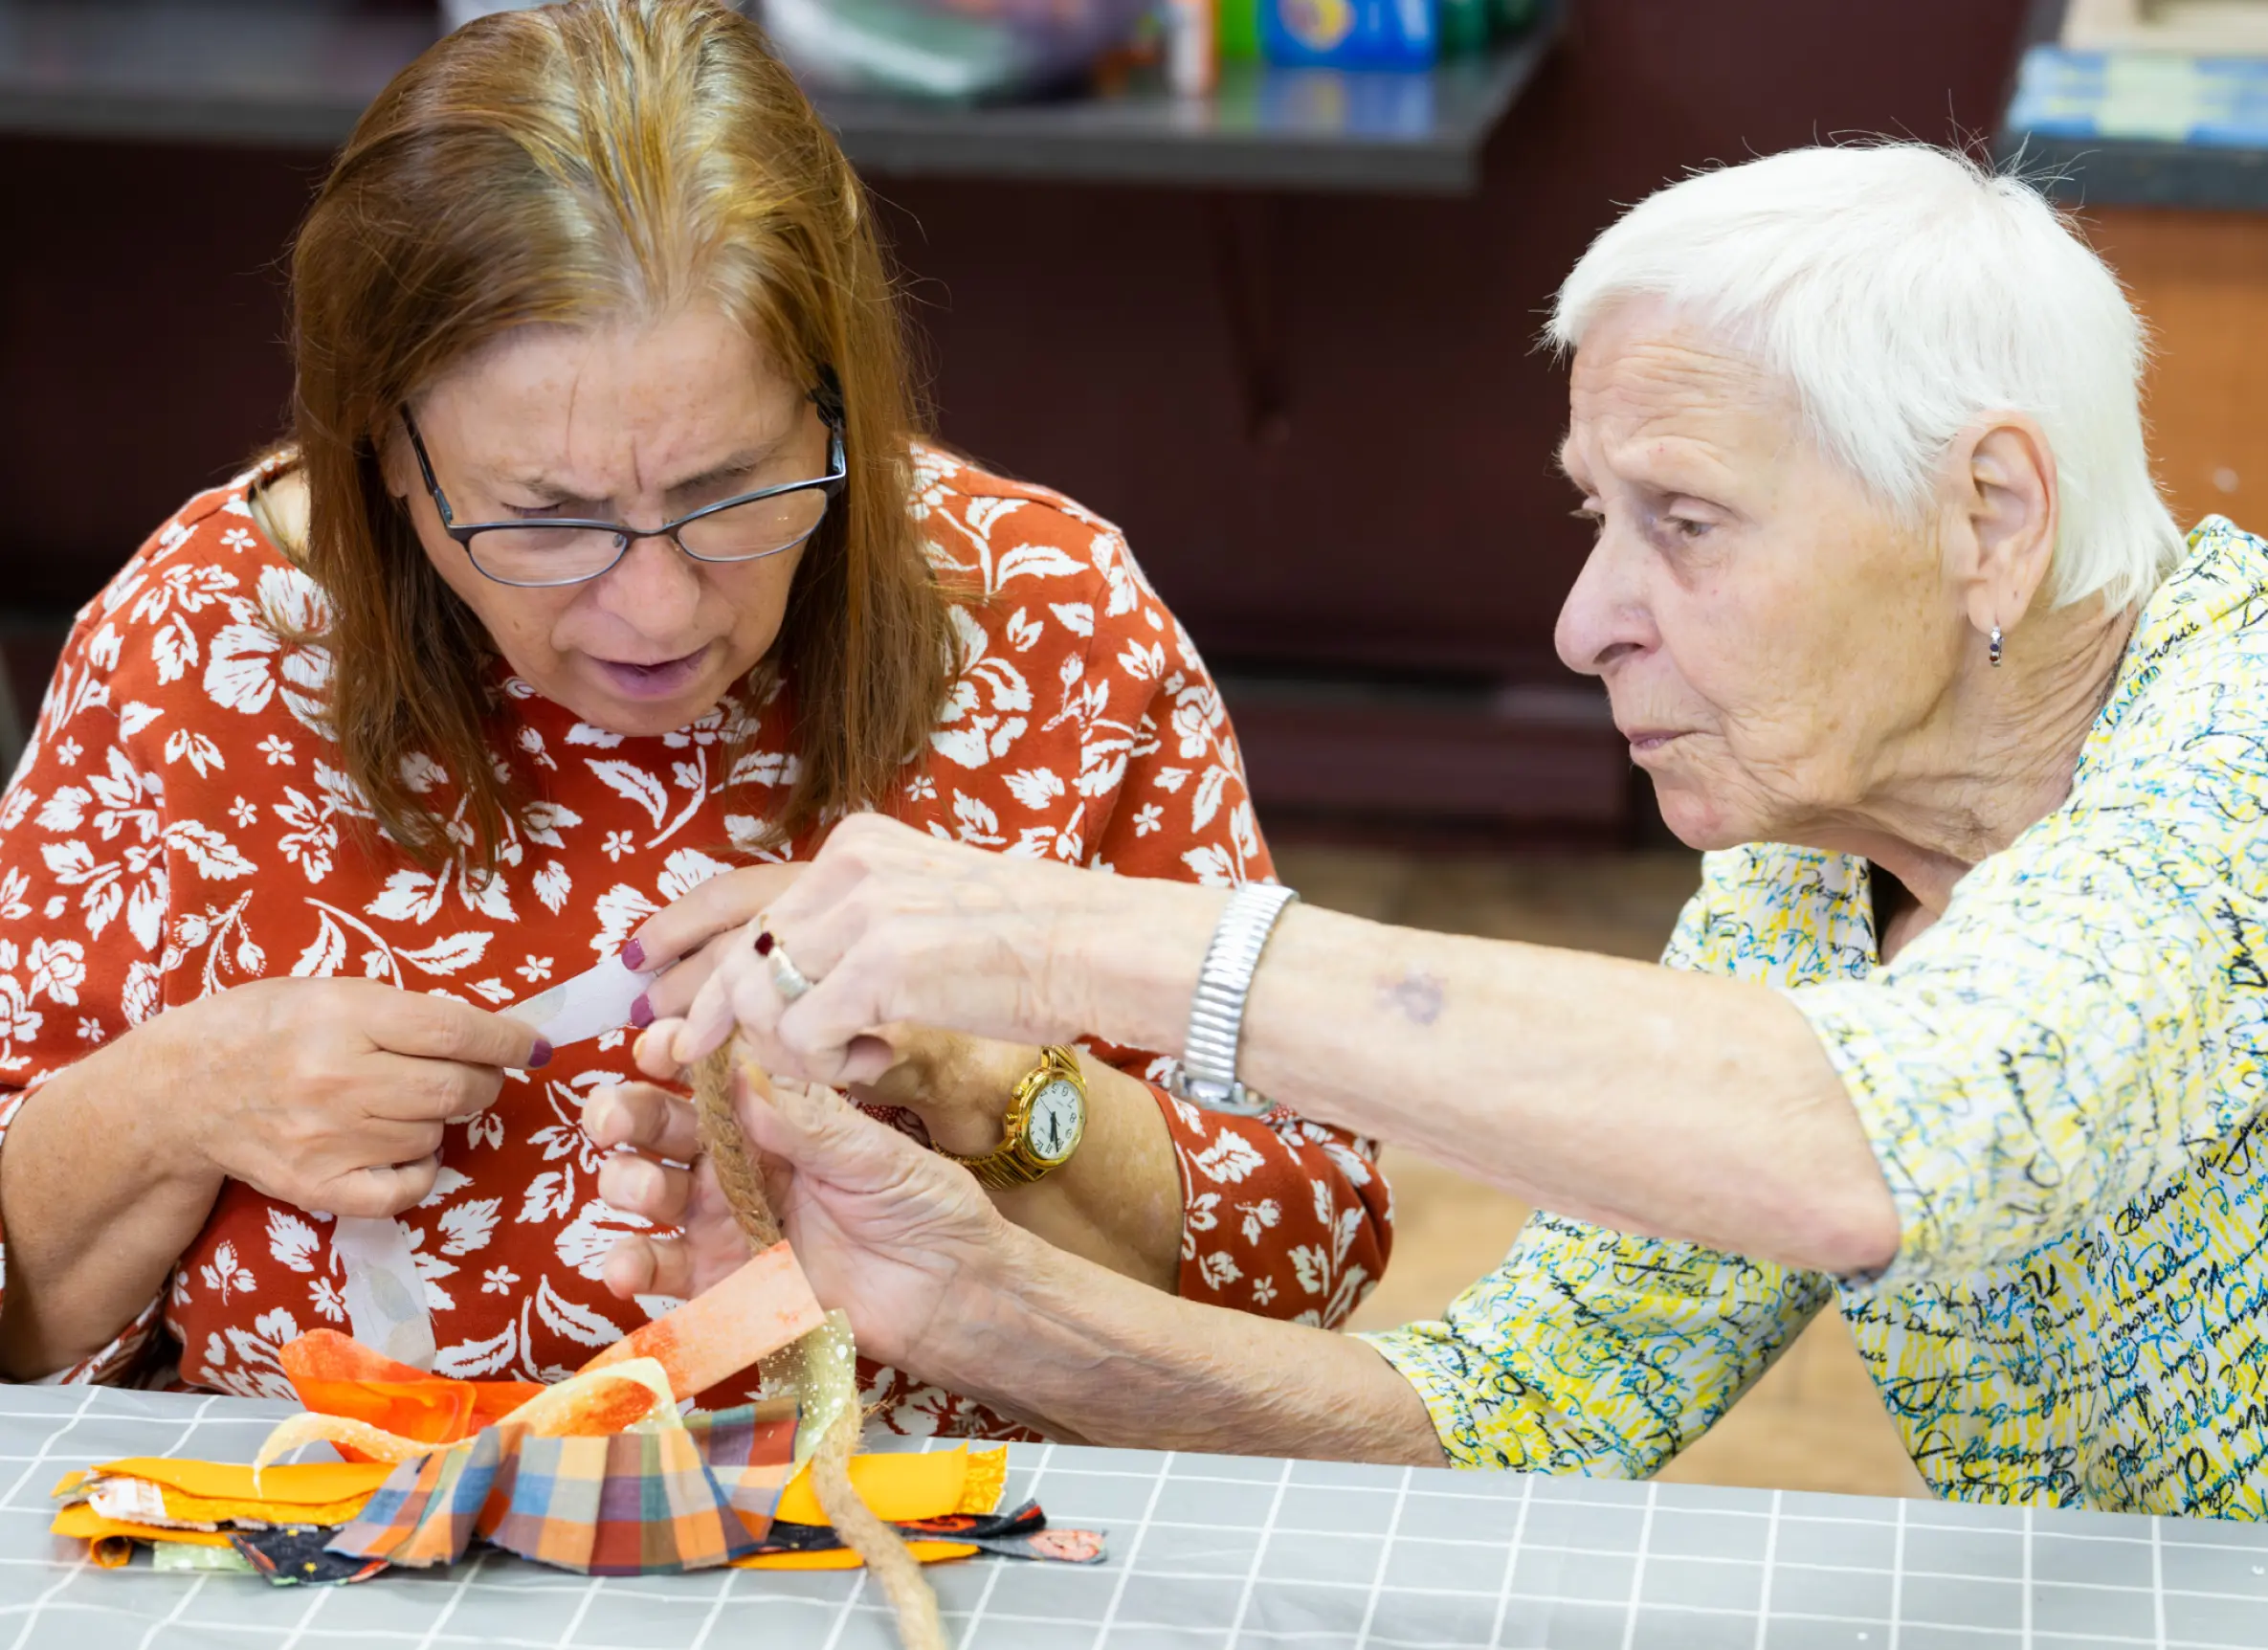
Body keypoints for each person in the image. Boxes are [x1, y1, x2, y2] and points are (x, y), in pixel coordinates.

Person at [600, 144, 2268, 1516]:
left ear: (1988, 517)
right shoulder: (1803, 889)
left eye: (1679, 521)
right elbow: (1526, 1418)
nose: (1582, 620)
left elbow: (1893, 1138)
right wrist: (974, 1301)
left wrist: (1058, 939)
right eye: (1592, 515)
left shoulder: (2235, 741)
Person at [0, 0, 1390, 1428]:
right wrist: (175, 1098)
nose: (659, 613)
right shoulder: (206, 646)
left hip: (924, 1551)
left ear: (835, 410)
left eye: (733, 490)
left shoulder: (1040, 620)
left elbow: (1307, 1254)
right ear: (384, 463)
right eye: (548, 519)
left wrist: (982, 1082)